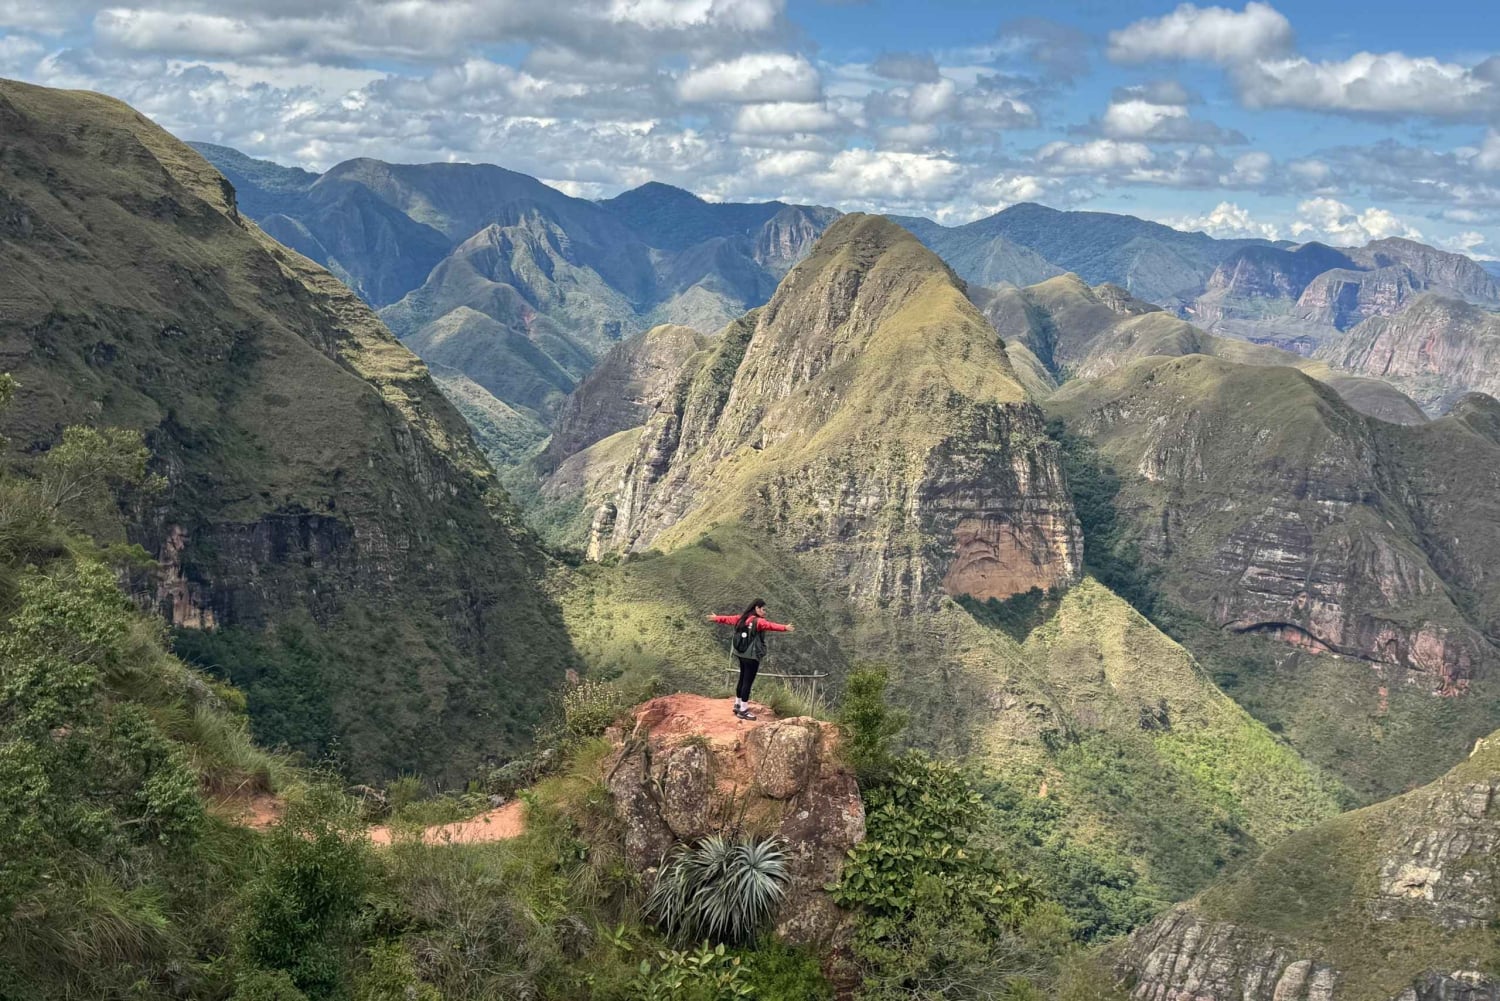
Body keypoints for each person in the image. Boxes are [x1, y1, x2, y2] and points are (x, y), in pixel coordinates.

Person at [705, 598, 794, 720]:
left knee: (742, 678)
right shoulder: (758, 622)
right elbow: (770, 626)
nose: (764, 612)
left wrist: (716, 618)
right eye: (763, 609)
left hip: (741, 654)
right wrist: (785, 627)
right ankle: (743, 710)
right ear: (757, 608)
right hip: (751, 656)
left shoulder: (741, 618)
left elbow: (728, 619)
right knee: (748, 681)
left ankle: (737, 704)